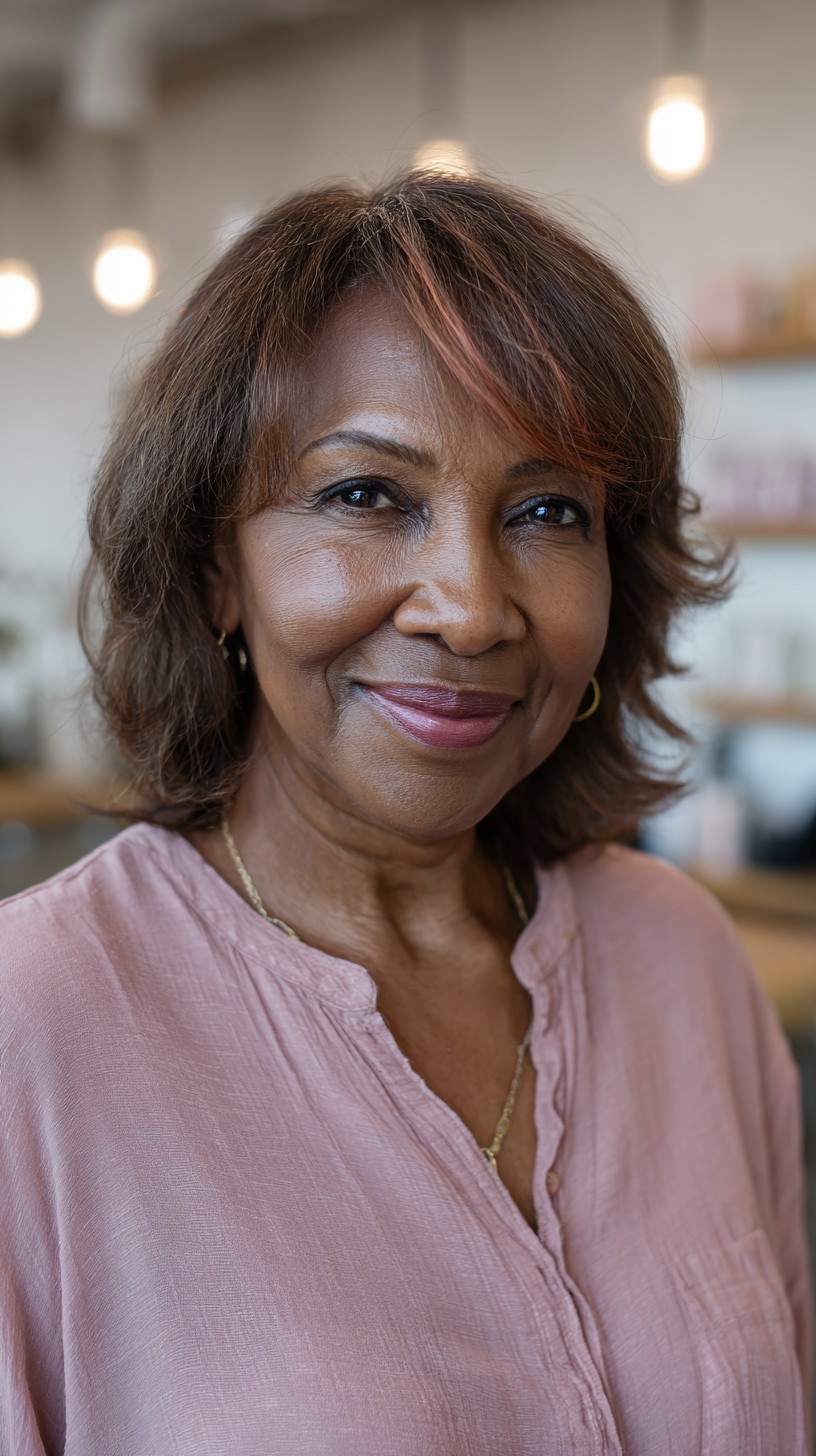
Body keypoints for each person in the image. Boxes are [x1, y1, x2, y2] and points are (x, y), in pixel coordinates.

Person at [0, 170, 810, 1456]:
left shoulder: (680, 959)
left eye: (549, 513)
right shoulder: (33, 1025)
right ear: (221, 565)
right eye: (368, 497)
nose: (471, 605)